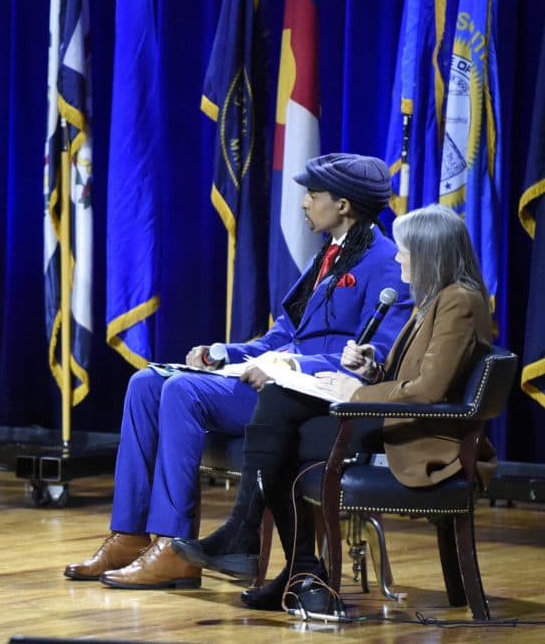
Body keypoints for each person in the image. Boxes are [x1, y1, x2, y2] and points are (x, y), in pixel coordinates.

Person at [64, 153, 412, 589]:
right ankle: (129, 535)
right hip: (274, 380)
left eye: (313, 195)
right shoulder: (325, 257)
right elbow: (282, 334)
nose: (304, 202)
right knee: (146, 382)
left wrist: (288, 365)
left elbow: (376, 358)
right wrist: (223, 353)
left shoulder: (388, 264)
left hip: (309, 397)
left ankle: (174, 547)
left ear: (343, 205)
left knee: (183, 393)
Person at [182, 203, 494, 610]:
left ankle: (277, 555)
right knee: (278, 409)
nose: (397, 257)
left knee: (278, 435)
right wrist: (373, 367)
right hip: (398, 420)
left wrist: (356, 393)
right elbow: (416, 377)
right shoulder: (440, 299)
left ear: (430, 254)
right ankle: (297, 570)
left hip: (419, 437)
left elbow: (428, 392)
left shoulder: (460, 302)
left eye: (405, 250)